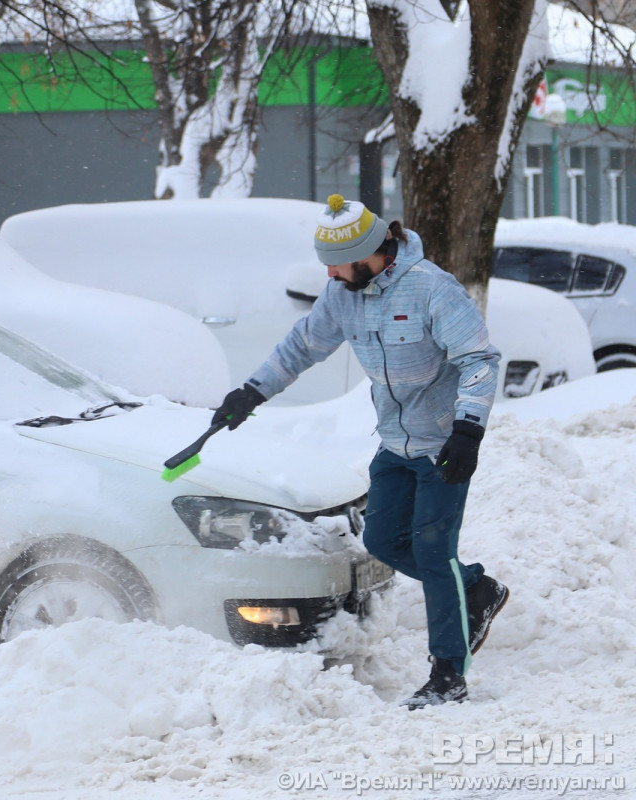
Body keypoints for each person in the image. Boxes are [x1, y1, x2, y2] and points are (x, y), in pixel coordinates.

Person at [213, 195, 510, 710]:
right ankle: (475, 590)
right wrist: (252, 392)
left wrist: (468, 432)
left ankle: (448, 675)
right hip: (394, 441)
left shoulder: (431, 289)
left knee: (434, 552)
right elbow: (302, 345)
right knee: (384, 541)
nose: (327, 273)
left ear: (369, 252)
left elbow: (480, 360)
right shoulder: (343, 293)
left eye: (335, 262)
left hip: (444, 442)